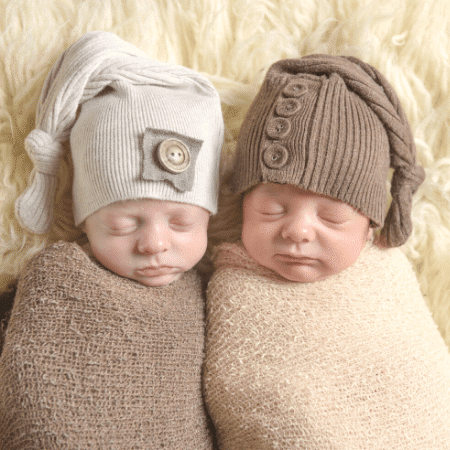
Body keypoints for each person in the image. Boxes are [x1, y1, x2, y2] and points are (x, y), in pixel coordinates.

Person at [203, 55, 450, 449]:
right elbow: (240, 387)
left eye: (332, 216)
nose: (297, 230)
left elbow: (419, 377)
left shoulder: (385, 276)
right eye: (273, 209)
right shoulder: (232, 283)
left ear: (370, 224)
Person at [0, 31, 223, 449]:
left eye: (181, 223)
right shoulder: (60, 279)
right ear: (85, 221)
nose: (154, 244)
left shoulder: (212, 294)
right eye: (123, 225)